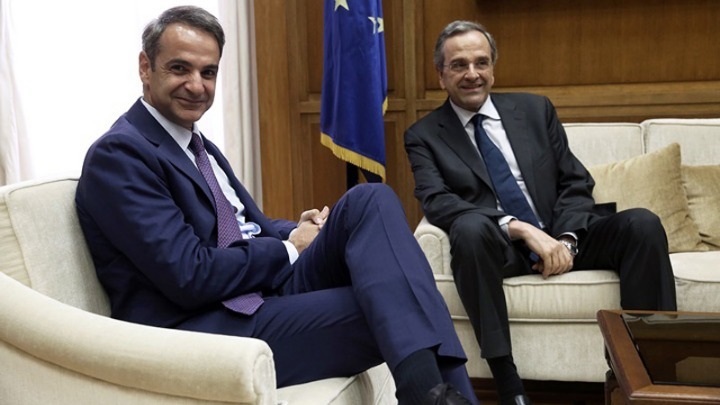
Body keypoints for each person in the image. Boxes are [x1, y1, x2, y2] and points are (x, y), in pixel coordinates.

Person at [75, 6, 478, 405]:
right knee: (396, 297)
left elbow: (236, 226)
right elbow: (189, 274)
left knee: (370, 199)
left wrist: (293, 230)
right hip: (207, 324)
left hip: (255, 292)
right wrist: (289, 248)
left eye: (208, 72)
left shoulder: (195, 144)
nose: (196, 85)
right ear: (146, 67)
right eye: (180, 68)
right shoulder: (121, 154)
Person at [403, 20, 677, 405]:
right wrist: (519, 228)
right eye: (459, 65)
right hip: (502, 248)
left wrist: (565, 240)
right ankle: (509, 386)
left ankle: (650, 374)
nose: (472, 74)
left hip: (565, 235)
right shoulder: (424, 135)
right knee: (468, 229)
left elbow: (574, 181)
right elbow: (437, 201)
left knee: (642, 224)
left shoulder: (534, 110)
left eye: (481, 63)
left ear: (493, 68)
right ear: (441, 74)